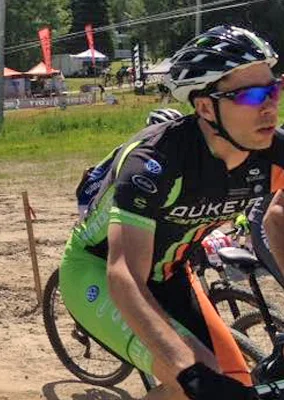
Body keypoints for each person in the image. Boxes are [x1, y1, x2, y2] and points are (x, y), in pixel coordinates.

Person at [61, 25, 284, 399]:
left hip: (171, 273)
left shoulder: (273, 153)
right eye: (251, 95)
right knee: (197, 380)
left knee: (237, 382)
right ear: (205, 107)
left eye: (274, 89)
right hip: (98, 271)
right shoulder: (156, 162)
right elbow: (124, 274)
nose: (269, 105)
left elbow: (278, 218)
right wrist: (189, 373)